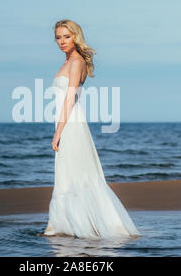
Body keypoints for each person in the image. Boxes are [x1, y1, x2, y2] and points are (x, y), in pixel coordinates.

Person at [42, 19, 141, 239]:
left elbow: (69, 99)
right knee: (68, 175)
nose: (62, 41)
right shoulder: (67, 62)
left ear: (76, 36)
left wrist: (58, 132)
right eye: (58, 37)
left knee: (77, 175)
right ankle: (68, 224)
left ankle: (86, 226)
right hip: (67, 122)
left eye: (67, 36)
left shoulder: (76, 62)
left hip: (72, 125)